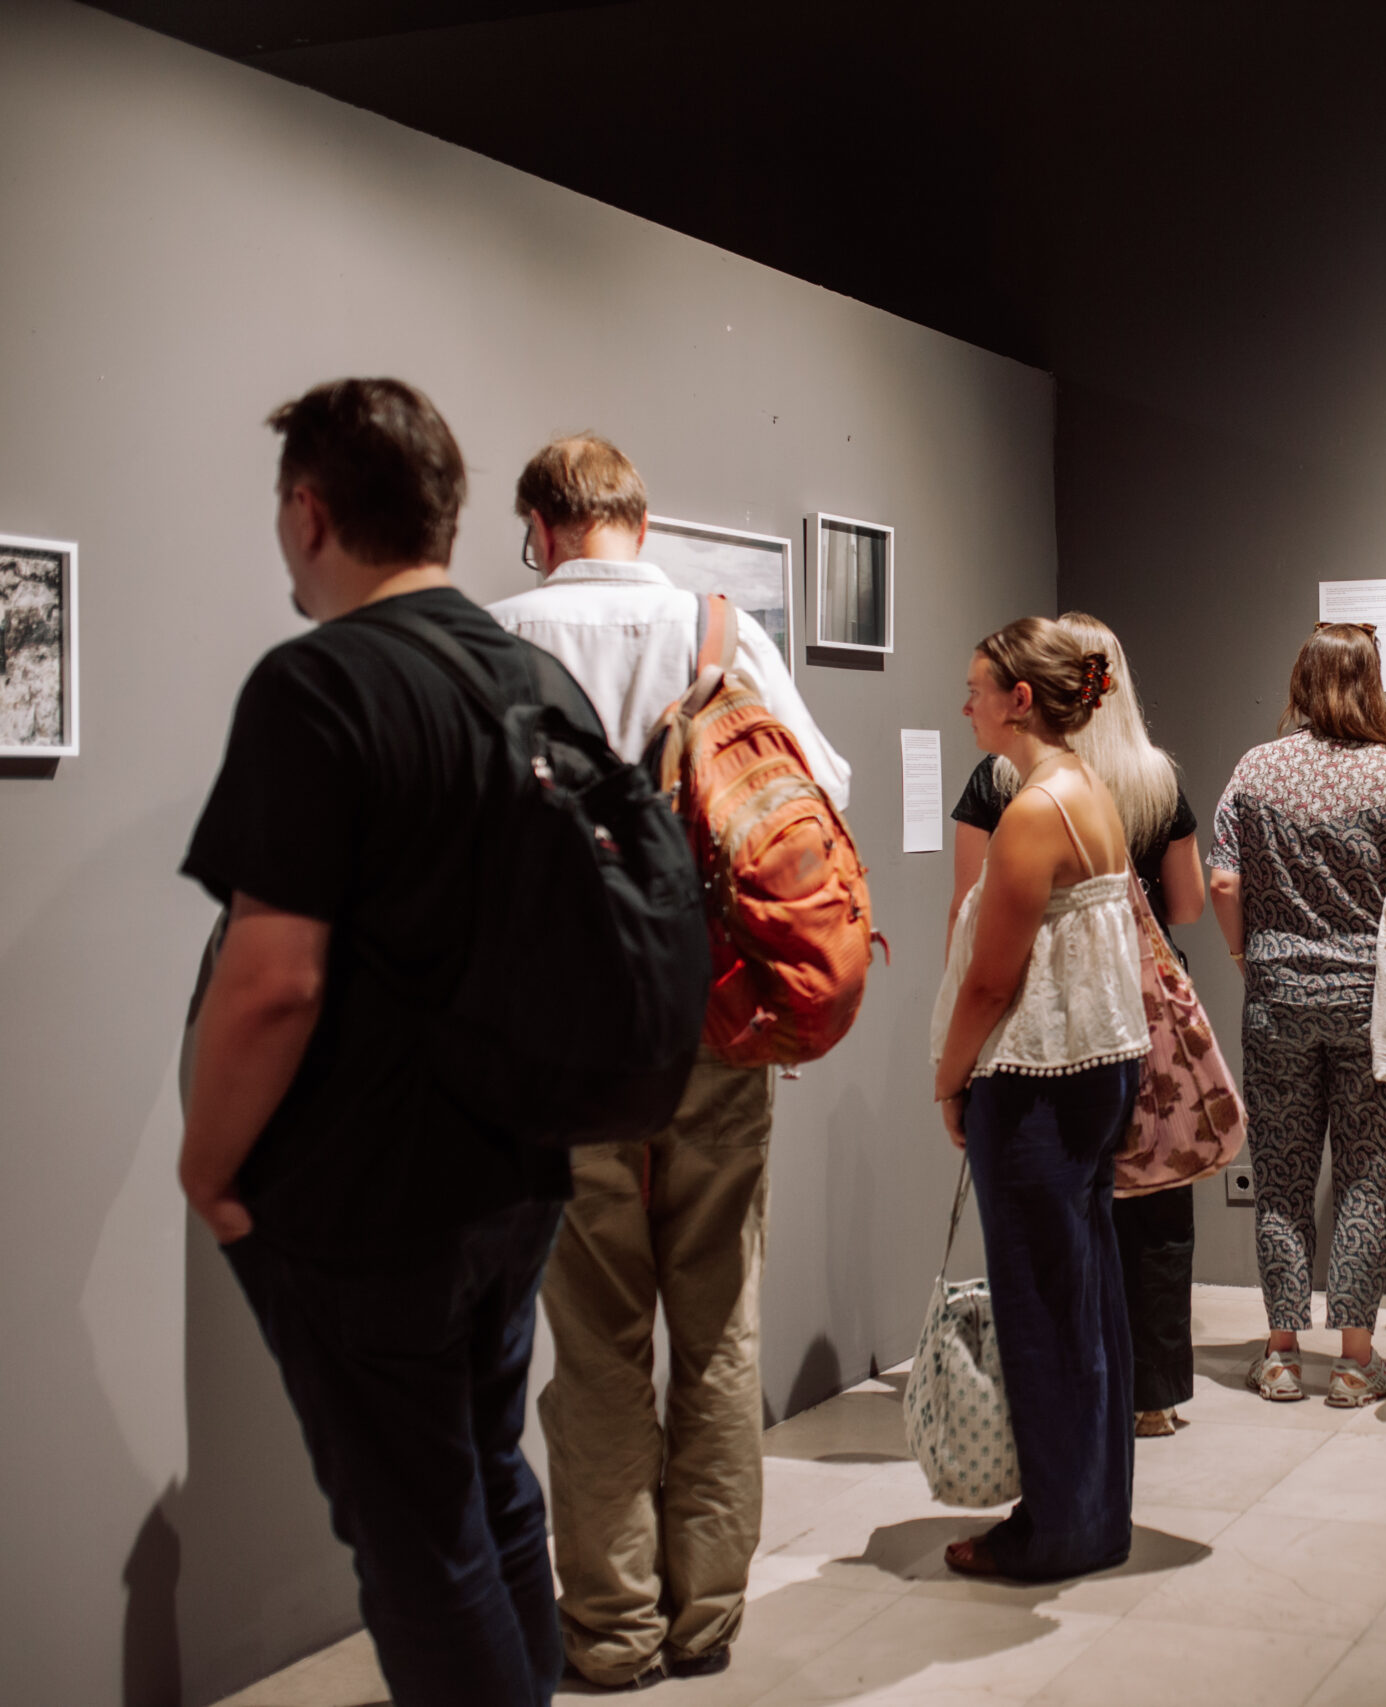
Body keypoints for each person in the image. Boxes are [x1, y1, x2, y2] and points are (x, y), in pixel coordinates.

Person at [178, 379, 579, 1706]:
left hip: (370, 1198)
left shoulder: (318, 684)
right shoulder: (533, 677)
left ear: (310, 511)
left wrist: (206, 1166)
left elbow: (272, 982)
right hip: (513, 1170)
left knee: (417, 1541)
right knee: (492, 1484)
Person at [485, 435, 850, 1687]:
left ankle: (611, 1627)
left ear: (540, 528)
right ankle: (705, 1619)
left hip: (561, 1049)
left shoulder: (495, 639)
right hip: (713, 1025)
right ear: (638, 524)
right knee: (719, 1324)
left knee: (592, 1342)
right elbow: (819, 792)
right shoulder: (718, 633)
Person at [947, 612, 1206, 1438]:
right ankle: (1149, 1393)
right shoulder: (1147, 778)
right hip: (1134, 1008)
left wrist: (951, 1057)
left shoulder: (1009, 786)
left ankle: (1066, 1435)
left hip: (1041, 1024)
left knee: (1054, 1240)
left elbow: (971, 918)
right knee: (1151, 1205)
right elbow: (1188, 904)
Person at [931, 617, 1149, 1580]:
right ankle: (1094, 1514)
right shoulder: (1087, 789)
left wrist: (948, 1076)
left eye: (976, 688)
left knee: (1040, 1309)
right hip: (1093, 1073)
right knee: (1085, 1299)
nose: (965, 704)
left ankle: (1055, 1527)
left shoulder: (1031, 812)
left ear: (1020, 699)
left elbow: (991, 981)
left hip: (1034, 1084)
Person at [1208, 623, 1386, 1407]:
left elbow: (1223, 882)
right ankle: (1355, 1361)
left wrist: (1246, 955)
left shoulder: (1256, 768)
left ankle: (1281, 1354)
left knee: (1282, 1174)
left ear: (1301, 680)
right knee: (1365, 1174)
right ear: (1370, 684)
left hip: (1277, 997)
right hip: (1370, 1003)